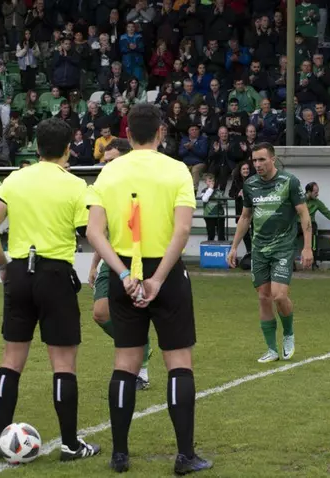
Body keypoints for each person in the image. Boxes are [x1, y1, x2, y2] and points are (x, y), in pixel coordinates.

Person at [85, 104, 211, 474]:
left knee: (125, 363)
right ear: (160, 133)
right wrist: (158, 278)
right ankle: (185, 456)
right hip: (165, 272)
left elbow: (93, 232)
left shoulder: (109, 171)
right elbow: (183, 230)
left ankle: (119, 455)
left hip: (124, 271)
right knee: (179, 361)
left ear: (127, 133)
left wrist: (124, 273)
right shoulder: (176, 169)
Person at [0, 118, 101, 461]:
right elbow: (90, 233)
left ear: (36, 147)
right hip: (55, 274)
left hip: (20, 272)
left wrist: (3, 265)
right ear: (69, 149)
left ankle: (4, 441)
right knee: (63, 363)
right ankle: (70, 445)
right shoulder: (76, 185)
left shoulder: (15, 179)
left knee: (11, 358)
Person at [226, 143, 313, 363]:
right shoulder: (250, 184)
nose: (257, 164)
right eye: (254, 160)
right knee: (264, 297)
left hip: (283, 247)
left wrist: (307, 247)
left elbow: (304, 214)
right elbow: (245, 217)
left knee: (279, 296)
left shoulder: (289, 182)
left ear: (273, 159)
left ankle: (289, 334)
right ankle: (272, 349)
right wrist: (234, 247)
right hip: (259, 249)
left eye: (262, 160)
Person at [87, 138, 152, 391]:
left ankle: (141, 371)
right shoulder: (105, 187)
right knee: (100, 313)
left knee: (138, 311)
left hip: (140, 259)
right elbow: (100, 231)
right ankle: (140, 344)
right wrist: (94, 264)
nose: (107, 166)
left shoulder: (143, 185)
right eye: (105, 162)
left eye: (112, 161)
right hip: (111, 260)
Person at [199, 174, 227, 241]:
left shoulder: (218, 191)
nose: (212, 183)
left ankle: (221, 246)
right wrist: (210, 189)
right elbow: (204, 199)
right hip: (209, 215)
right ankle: (210, 246)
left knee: (221, 235)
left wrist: (222, 200)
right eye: (209, 181)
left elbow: (224, 201)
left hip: (219, 215)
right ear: (205, 182)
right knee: (211, 234)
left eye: (213, 181)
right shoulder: (204, 191)